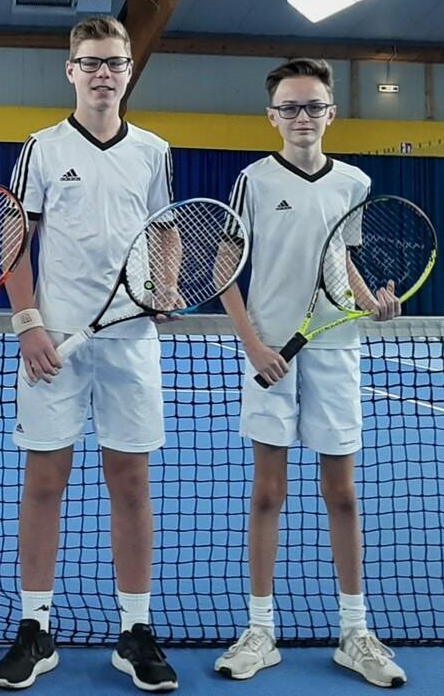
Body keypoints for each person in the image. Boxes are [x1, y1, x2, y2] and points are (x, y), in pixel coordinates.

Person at [0, 16, 179, 692]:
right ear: (70, 70)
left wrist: (164, 286)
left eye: (115, 63)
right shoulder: (40, 148)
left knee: (130, 486)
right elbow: (16, 242)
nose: (103, 73)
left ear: (129, 72)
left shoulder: (152, 151)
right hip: (53, 348)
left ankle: (135, 632)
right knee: (44, 485)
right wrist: (28, 325)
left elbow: (165, 232)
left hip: (130, 343)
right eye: (91, 62)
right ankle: (35, 629)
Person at [213, 58, 406, 689]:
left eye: (313, 106)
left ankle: (356, 631)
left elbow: (342, 261)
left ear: (331, 112)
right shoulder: (253, 181)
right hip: (271, 356)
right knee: (268, 492)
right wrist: (253, 347)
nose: (302, 117)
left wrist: (370, 302)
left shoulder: (353, 182)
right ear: (272, 116)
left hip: (333, 350)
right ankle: (261, 629)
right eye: (290, 107)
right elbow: (225, 270)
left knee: (343, 494)